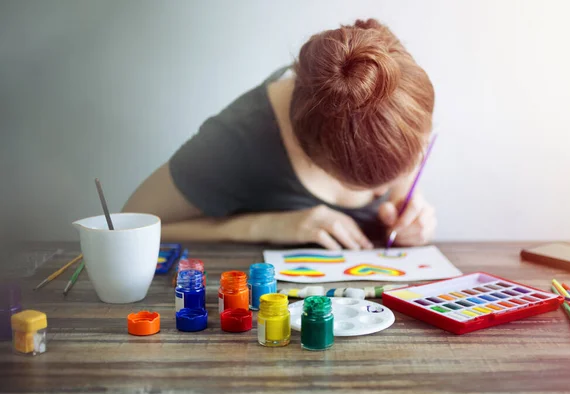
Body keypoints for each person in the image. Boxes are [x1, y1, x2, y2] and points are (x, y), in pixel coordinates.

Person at [122, 18, 436, 250]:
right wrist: (271, 224)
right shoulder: (235, 141)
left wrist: (411, 210)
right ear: (313, 154)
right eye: (370, 185)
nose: (378, 195)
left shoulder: (380, 80)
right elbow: (128, 226)